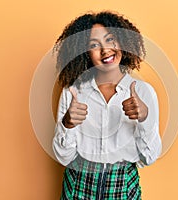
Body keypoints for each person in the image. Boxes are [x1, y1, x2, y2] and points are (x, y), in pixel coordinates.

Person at [52, 11, 162, 200]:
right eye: (94, 45)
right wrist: (67, 125)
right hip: (78, 187)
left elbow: (149, 158)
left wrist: (145, 119)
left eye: (110, 40)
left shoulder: (143, 92)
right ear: (85, 52)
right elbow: (64, 158)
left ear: (122, 41)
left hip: (123, 188)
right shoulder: (73, 92)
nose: (105, 50)